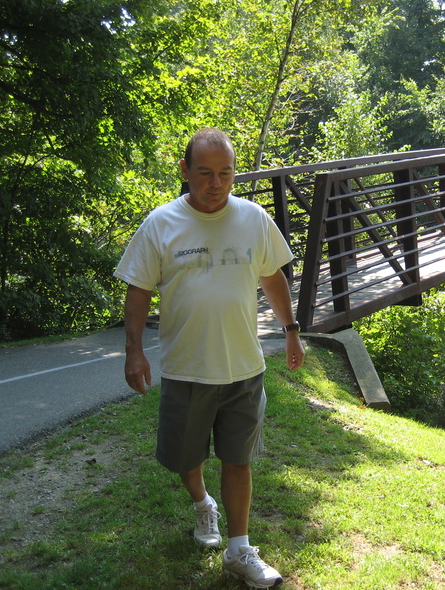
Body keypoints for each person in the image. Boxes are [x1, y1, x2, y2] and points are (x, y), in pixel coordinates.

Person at [115, 128, 304, 589]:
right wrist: (134, 351)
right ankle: (203, 504)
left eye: (225, 173)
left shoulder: (253, 218)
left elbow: (272, 277)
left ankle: (239, 550)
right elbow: (138, 289)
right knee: (187, 456)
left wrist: (291, 331)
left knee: (239, 459)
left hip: (244, 368)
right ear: (184, 171)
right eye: (204, 173)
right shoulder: (161, 223)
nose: (216, 183)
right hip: (187, 368)